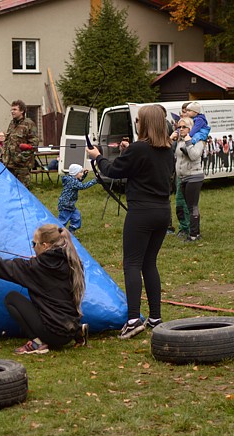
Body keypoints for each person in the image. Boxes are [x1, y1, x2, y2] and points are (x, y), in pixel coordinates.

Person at [86, 104, 174, 339]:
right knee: (149, 263)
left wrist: (97, 157)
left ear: (145, 124)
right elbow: (146, 167)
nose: (136, 124)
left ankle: (134, 319)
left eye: (138, 121)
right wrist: (128, 151)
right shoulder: (168, 149)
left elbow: (114, 171)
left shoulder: (139, 149)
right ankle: (155, 317)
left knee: (132, 264)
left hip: (142, 213)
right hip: (162, 212)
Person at [0, 223, 88, 354]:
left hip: (53, 334)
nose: (33, 247)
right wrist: (39, 262)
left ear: (45, 246)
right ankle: (77, 332)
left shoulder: (36, 268)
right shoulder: (72, 261)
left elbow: (0, 266)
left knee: (12, 298)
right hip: (69, 329)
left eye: (34, 244)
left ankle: (37, 342)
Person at [171, 117, 206, 242]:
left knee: (192, 206)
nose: (181, 129)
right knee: (188, 205)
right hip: (183, 177)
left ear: (191, 128)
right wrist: (170, 139)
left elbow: (194, 156)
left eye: (184, 127)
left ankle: (194, 234)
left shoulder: (198, 140)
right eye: (179, 127)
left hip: (194, 177)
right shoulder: (180, 141)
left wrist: (188, 142)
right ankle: (194, 232)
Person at [3, 100, 38, 188]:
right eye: (11, 110)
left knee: (22, 191)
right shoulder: (12, 124)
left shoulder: (29, 124)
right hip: (9, 164)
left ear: (22, 111)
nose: (12, 112)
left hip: (22, 166)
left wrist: (20, 158)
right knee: (10, 190)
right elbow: (7, 141)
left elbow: (33, 145)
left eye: (15, 109)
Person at [57, 163, 96, 233]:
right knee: (63, 221)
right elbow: (82, 186)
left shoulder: (72, 179)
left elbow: (78, 182)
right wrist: (94, 181)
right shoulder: (72, 181)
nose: (81, 174)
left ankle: (70, 233)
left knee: (76, 217)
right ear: (75, 173)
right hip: (65, 205)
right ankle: (56, 234)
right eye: (80, 172)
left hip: (70, 205)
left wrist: (84, 174)